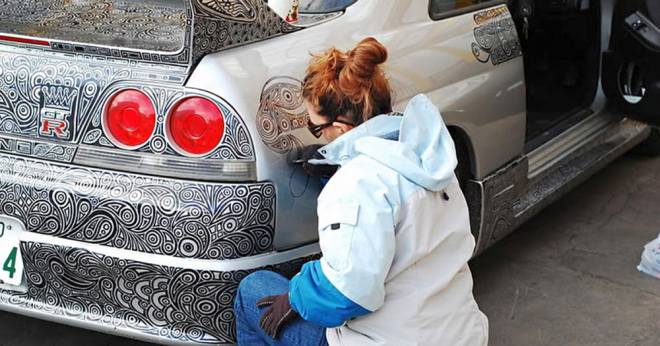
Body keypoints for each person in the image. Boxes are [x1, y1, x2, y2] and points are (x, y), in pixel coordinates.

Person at [234, 37, 489, 346]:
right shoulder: (432, 161)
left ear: (340, 128)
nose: (321, 137)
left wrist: (296, 295)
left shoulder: (357, 185)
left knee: (253, 289)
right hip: (460, 336)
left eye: (317, 129)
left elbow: (346, 295)